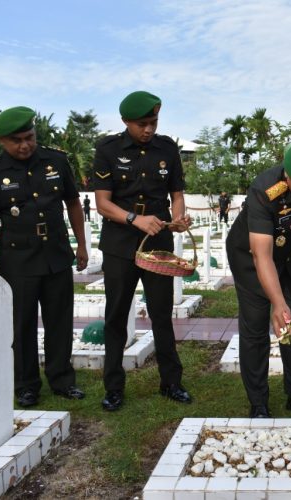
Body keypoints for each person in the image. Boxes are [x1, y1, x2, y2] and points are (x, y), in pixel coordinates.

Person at [0, 106, 87, 407]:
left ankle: (62, 379)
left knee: (60, 321)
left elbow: (74, 205)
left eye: (30, 137)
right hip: (18, 262)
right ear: (1, 141)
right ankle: (26, 385)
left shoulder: (56, 161)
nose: (25, 145)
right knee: (21, 325)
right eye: (17, 140)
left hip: (56, 256)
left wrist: (82, 245)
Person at [92, 91, 192, 411]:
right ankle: (114, 387)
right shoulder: (107, 149)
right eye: (142, 124)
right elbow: (103, 204)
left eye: (153, 122)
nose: (149, 129)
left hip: (158, 243)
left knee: (162, 313)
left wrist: (178, 217)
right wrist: (135, 219)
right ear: (125, 122)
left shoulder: (167, 148)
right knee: (117, 316)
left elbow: (176, 193)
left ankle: (171, 382)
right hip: (120, 245)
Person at [226, 138, 291, 419]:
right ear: (287, 176)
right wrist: (277, 301)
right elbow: (262, 255)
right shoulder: (265, 190)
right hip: (251, 258)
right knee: (256, 328)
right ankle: (258, 402)